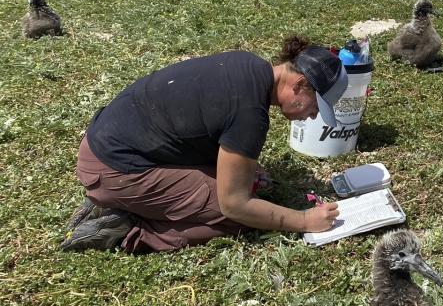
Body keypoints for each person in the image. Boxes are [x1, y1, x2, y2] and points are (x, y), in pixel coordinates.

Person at [60, 36, 347, 252]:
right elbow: (235, 205)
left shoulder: (248, 65)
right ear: (298, 84)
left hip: (102, 147)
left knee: (246, 183)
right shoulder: (249, 114)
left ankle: (118, 199)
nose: (311, 117)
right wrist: (305, 220)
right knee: (239, 215)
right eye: (315, 107)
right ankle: (127, 228)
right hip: (115, 169)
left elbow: (205, 125)